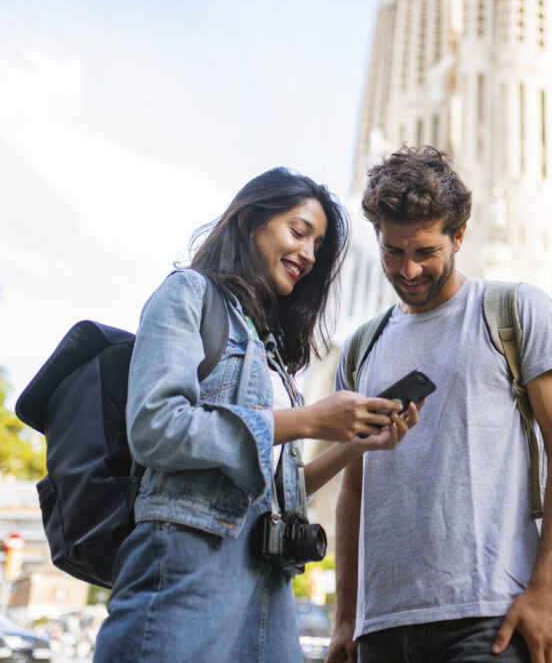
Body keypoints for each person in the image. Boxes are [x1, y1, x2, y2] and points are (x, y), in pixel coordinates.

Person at [93, 168, 422, 662]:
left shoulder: (268, 347)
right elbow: (155, 427)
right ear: (249, 221)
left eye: (317, 246)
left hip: (267, 579)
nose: (308, 255)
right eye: (299, 232)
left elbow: (281, 486)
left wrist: (355, 443)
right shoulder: (187, 295)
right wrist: (308, 420)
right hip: (186, 567)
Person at [326, 147, 552, 663]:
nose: (409, 268)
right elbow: (352, 489)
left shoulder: (515, 311)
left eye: (425, 251)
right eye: (393, 252)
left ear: (459, 236)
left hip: (488, 618)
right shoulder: (362, 347)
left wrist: (546, 590)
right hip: (381, 628)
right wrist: (345, 620)